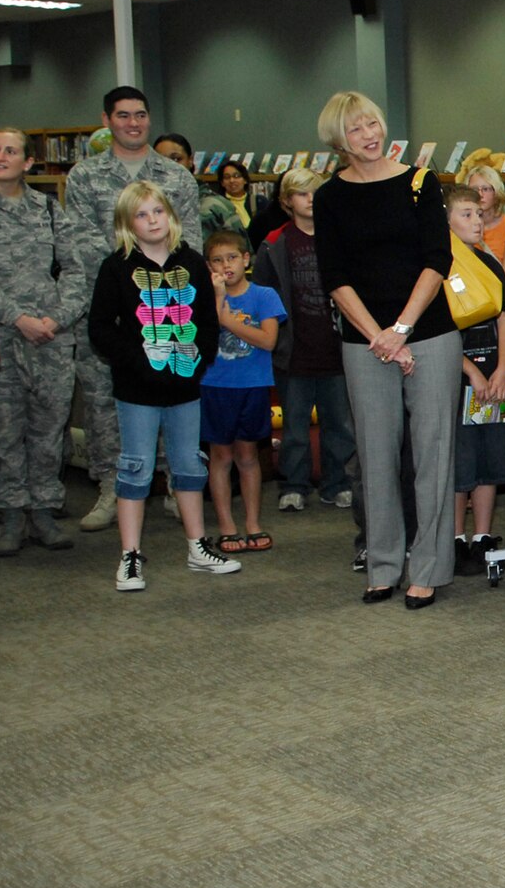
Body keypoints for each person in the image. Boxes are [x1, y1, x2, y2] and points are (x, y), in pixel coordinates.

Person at [312, 90, 460, 608]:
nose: (370, 135)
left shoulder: (420, 183)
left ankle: (428, 568)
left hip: (429, 332)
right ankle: (382, 564)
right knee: (373, 457)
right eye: (356, 129)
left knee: (433, 455)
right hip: (364, 339)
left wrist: (401, 329)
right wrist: (380, 335)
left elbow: (437, 260)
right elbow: (335, 276)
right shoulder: (329, 197)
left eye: (373, 123)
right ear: (339, 140)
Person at [85, 180, 239, 592]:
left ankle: (197, 545)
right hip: (137, 389)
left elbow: (207, 320)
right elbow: (100, 328)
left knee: (189, 465)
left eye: (158, 211)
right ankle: (130, 555)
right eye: (141, 214)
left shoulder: (190, 262)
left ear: (170, 216)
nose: (152, 221)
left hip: (185, 385)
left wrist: (198, 360)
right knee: (135, 467)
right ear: (127, 223)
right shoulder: (115, 266)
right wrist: (136, 361)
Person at [64, 87, 201, 533]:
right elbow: (81, 243)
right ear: (107, 119)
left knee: (169, 392)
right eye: (123, 116)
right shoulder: (84, 177)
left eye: (141, 115)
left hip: (168, 307)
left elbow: (190, 241)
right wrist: (130, 277)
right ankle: (111, 485)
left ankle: (173, 487)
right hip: (112, 308)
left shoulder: (175, 176)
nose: (133, 123)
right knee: (106, 401)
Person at [0, 128, 84, 556]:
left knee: (49, 427)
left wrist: (57, 317)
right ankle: (11, 513)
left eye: (11, 151)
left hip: (50, 335)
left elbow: (75, 269)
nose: (0, 156)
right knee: (1, 428)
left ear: (28, 163)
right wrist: (18, 317)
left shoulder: (48, 209)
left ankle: (45, 509)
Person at [254, 168, 357, 528]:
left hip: (336, 348)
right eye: (301, 194)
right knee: (294, 426)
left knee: (339, 424)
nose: (310, 199)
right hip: (293, 350)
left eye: (315, 192)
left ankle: (336, 482)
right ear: (287, 202)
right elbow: (263, 296)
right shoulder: (275, 243)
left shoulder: (339, 237)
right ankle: (293, 485)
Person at [444, 184, 505, 575]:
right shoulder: (439, 266)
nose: (477, 221)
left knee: (490, 451)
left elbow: (504, 314)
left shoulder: (487, 262)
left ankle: (483, 535)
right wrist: (470, 370)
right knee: (461, 457)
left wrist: (502, 368)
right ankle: (455, 536)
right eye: (466, 215)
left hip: (493, 372)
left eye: (479, 213)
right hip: (458, 372)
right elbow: (438, 328)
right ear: (447, 221)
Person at [200, 229, 285, 552]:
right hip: (214, 385)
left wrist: (226, 320)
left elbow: (268, 340)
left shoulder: (264, 296)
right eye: (217, 261)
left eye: (232, 258)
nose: (226, 266)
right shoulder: (204, 298)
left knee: (249, 456)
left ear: (246, 259)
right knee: (220, 456)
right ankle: (226, 525)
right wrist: (218, 301)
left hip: (252, 385)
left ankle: (252, 523)